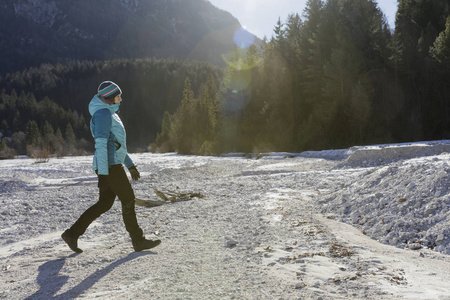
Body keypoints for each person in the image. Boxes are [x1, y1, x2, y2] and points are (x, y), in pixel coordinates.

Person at [61, 81, 161, 253]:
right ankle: (138, 241)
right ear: (108, 98)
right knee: (128, 199)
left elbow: (115, 145)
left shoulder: (110, 113)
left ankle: (72, 234)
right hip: (109, 166)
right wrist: (103, 174)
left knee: (104, 204)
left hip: (110, 164)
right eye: (118, 96)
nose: (121, 99)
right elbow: (100, 145)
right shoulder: (103, 115)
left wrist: (130, 166)